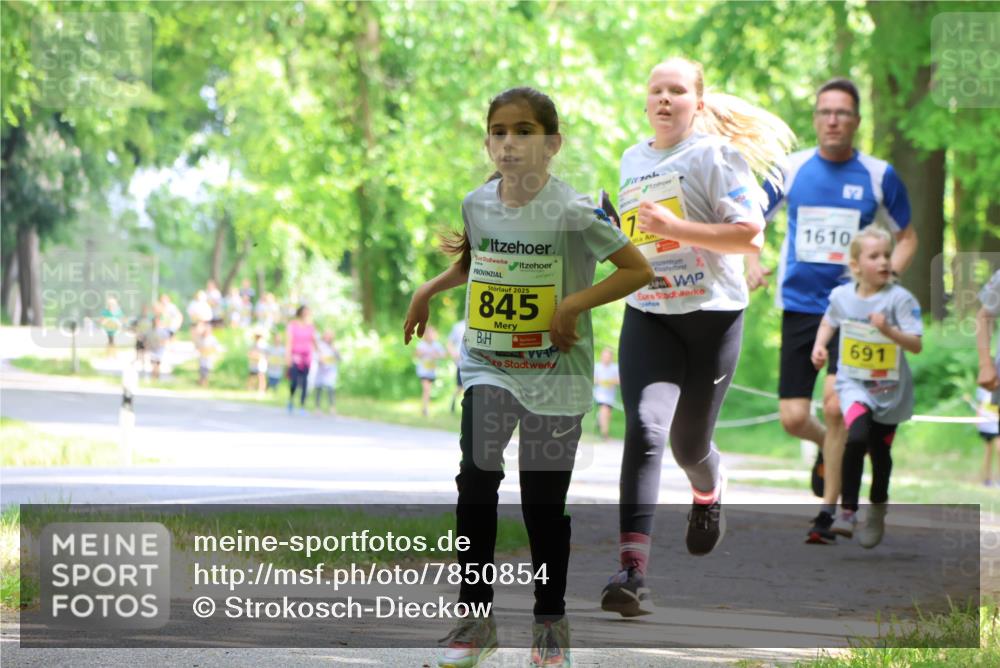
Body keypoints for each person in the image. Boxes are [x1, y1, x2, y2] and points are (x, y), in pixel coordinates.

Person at [403, 87, 651, 668]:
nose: (508, 143)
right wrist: (428, 290)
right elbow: (478, 260)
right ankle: (475, 623)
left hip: (555, 375)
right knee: (476, 482)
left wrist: (573, 305)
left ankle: (549, 628)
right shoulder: (477, 203)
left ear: (552, 144)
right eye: (498, 132)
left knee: (542, 506)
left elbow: (636, 269)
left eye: (523, 132)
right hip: (488, 364)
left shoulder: (574, 211)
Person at [601, 57, 794, 618]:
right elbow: (642, 238)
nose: (665, 98)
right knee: (645, 427)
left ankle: (708, 491)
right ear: (646, 101)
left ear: (698, 104)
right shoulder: (632, 159)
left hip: (712, 314)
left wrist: (676, 228)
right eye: (656, 90)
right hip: (650, 311)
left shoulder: (717, 156)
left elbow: (749, 237)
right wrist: (613, 232)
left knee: (688, 446)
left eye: (678, 90)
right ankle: (632, 573)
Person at [747, 78, 917, 540]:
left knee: (838, 406)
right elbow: (750, 222)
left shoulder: (879, 175)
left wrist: (885, 282)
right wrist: (752, 262)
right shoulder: (790, 168)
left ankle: (829, 513)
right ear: (816, 119)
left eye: (842, 112)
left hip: (855, 311)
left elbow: (907, 237)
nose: (833, 120)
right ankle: (831, 449)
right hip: (800, 305)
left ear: (856, 121)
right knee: (793, 417)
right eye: (825, 112)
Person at [809, 227, 922, 547]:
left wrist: (889, 331)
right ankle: (848, 511)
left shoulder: (900, 299)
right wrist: (820, 345)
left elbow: (915, 345)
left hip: (889, 390)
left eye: (887, 254)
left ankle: (877, 509)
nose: (884, 261)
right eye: (875, 256)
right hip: (853, 384)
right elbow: (829, 320)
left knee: (881, 455)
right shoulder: (842, 296)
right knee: (856, 437)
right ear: (856, 266)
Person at [285, 305, 316, 415]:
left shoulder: (311, 326)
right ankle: (291, 399)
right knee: (294, 381)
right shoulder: (292, 325)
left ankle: (302, 405)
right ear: (300, 313)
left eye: (308, 313)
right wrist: (287, 356)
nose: (306, 315)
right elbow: (289, 341)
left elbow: (314, 341)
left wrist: (320, 353)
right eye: (304, 312)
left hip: (307, 357)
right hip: (295, 356)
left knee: (305, 382)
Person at [414, 326, 446, 418]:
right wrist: (425, 353)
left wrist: (436, 355)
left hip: (432, 371)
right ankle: (425, 409)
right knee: (426, 389)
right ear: (425, 335)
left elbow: (443, 355)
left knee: (428, 390)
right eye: (429, 334)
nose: (430, 336)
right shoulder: (421, 344)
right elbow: (417, 354)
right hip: (423, 371)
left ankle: (425, 407)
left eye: (432, 334)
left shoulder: (437, 345)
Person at [593, 347, 619, 440]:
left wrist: (610, 382)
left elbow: (619, 380)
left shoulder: (615, 368)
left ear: (611, 358)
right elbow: (592, 379)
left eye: (608, 356)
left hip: (610, 396)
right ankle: (605, 435)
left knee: (608, 414)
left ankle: (599, 420)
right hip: (599, 394)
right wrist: (600, 381)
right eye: (604, 356)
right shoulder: (597, 367)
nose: (606, 358)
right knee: (604, 410)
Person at [314, 331, 341, 414]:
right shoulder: (320, 346)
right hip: (321, 370)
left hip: (330, 371)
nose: (328, 338)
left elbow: (339, 358)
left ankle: (332, 407)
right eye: (326, 336)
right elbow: (316, 356)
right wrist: (320, 360)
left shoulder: (334, 346)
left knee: (330, 389)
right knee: (319, 389)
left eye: (329, 337)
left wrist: (335, 351)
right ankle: (317, 407)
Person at [447, 320, 467, 413]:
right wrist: (454, 354)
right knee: (460, 387)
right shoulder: (458, 326)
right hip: (461, 362)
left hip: (475, 362)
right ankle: (453, 403)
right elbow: (450, 343)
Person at [195, 321, 221, 387]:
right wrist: (201, 350)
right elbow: (197, 346)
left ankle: (205, 381)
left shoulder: (212, 338)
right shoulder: (200, 338)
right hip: (202, 355)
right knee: (202, 368)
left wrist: (210, 350)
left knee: (207, 369)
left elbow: (216, 347)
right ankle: (201, 380)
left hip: (209, 356)